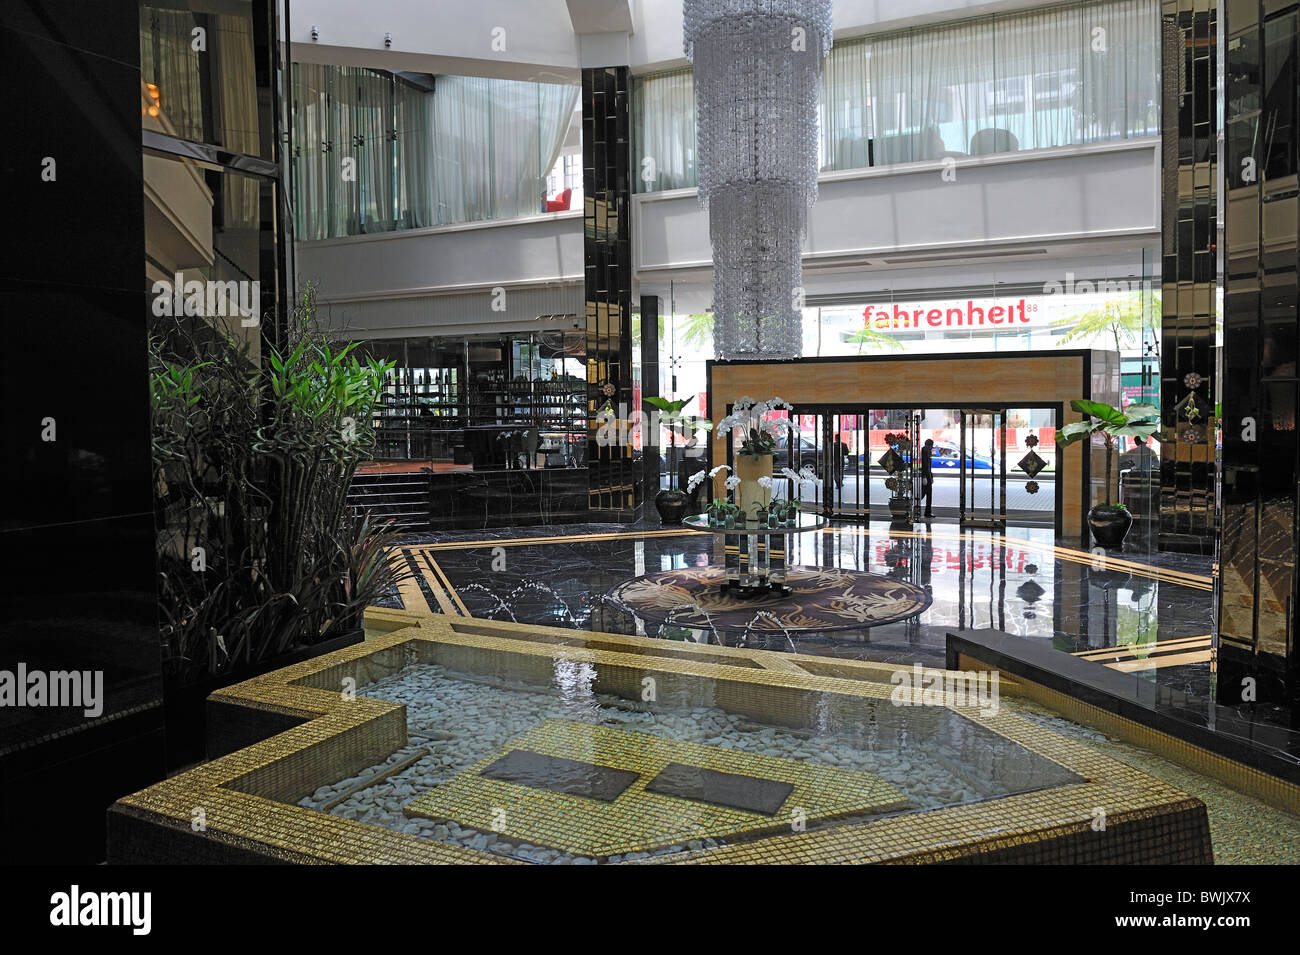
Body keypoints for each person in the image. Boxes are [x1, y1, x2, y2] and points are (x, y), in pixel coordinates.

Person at [920, 438, 935, 519]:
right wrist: (928, 477)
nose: (932, 448)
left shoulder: (923, 450)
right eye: (931, 446)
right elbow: (926, 466)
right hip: (926, 477)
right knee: (927, 495)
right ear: (929, 445)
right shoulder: (926, 451)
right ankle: (927, 512)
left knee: (923, 494)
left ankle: (927, 512)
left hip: (926, 476)